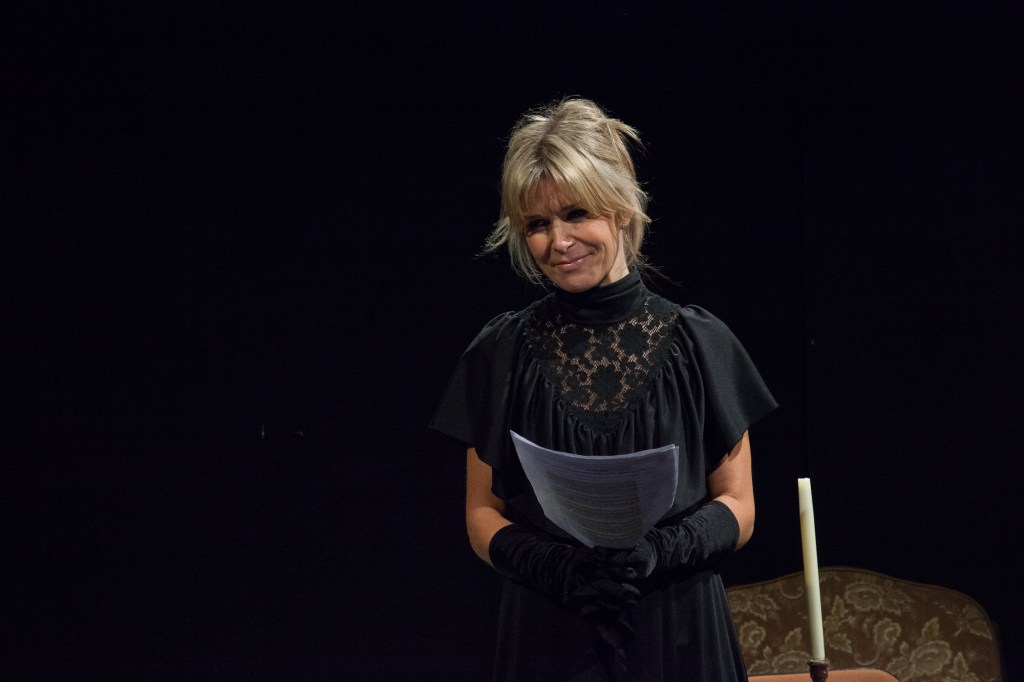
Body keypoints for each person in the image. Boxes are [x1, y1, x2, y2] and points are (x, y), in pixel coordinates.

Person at [431, 97, 777, 681]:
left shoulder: (698, 342)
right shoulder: (502, 351)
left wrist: (658, 553)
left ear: (619, 209)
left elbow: (739, 507)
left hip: (678, 628)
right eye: (537, 225)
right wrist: (558, 567)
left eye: (576, 214)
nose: (558, 241)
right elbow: (481, 513)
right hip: (548, 628)